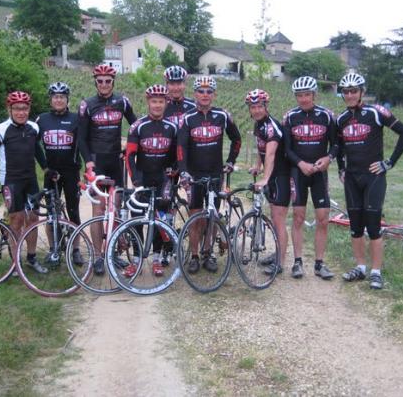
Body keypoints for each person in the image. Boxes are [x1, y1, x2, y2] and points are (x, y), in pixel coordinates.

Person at [337, 73, 403, 289]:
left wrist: (389, 163)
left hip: (373, 177)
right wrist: (341, 169)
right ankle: (360, 268)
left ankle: (376, 272)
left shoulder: (376, 112)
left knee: (373, 226)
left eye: (354, 91)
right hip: (352, 178)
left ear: (362, 92)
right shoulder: (341, 119)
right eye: (346, 92)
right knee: (355, 226)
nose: (350, 95)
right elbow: (340, 147)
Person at [0, 91, 49, 274]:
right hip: (11, 182)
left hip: (30, 180)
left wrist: (47, 169)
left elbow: (37, 151)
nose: (21, 112)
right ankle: (15, 263)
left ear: (29, 109)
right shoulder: (1, 130)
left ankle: (32, 258)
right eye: (17, 109)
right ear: (9, 109)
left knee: (33, 219)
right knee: (16, 221)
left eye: (24, 108)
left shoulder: (34, 128)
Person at [177, 76, 242, 273]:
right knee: (195, 216)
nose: (205, 95)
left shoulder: (222, 115)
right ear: (195, 94)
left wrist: (230, 161)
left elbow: (236, 139)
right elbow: (181, 148)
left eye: (209, 91)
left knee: (213, 216)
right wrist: (184, 172)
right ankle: (194, 255)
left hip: (215, 174)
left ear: (214, 94)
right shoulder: (187, 118)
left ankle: (208, 253)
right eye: (201, 91)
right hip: (195, 175)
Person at [77, 64, 137, 275]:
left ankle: (111, 252)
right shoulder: (88, 105)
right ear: (95, 82)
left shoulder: (122, 101)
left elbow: (135, 125)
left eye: (108, 81)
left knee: (116, 209)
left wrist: (128, 149)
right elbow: (81, 138)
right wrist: (88, 161)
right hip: (97, 162)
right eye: (100, 81)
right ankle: (97, 255)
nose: (104, 84)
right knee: (99, 210)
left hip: (115, 161)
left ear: (113, 82)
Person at [283, 76, 337, 280]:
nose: (303, 99)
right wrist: (300, 164)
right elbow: (287, 149)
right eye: (299, 95)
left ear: (314, 94)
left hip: (319, 173)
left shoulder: (327, 115)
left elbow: (336, 144)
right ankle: (297, 262)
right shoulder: (289, 117)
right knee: (298, 217)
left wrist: (328, 158)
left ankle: (319, 264)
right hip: (299, 172)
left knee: (323, 219)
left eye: (307, 95)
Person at [125, 84, 177, 277]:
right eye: (154, 101)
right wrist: (135, 179)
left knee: (159, 220)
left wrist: (173, 171)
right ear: (148, 102)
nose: (157, 105)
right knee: (137, 219)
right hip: (142, 178)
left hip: (162, 179)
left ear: (166, 103)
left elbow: (176, 155)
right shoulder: (138, 126)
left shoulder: (172, 127)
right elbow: (130, 155)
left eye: (161, 102)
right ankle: (136, 261)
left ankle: (156, 259)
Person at [35, 81, 83, 265]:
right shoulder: (42, 120)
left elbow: (84, 143)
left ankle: (76, 249)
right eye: (55, 96)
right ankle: (53, 248)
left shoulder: (75, 119)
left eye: (62, 96)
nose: (58, 100)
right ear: (50, 99)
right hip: (51, 173)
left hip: (71, 172)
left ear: (67, 99)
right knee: (51, 214)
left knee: (73, 211)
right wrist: (45, 167)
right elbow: (34, 145)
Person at [248, 89, 291, 276]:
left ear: (266, 106)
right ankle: (277, 254)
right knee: (274, 219)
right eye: (253, 107)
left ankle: (280, 262)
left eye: (259, 106)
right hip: (272, 176)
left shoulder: (272, 126)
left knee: (279, 220)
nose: (256, 110)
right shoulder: (259, 125)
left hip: (281, 176)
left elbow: (271, 154)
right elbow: (261, 148)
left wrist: (266, 177)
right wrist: (257, 165)